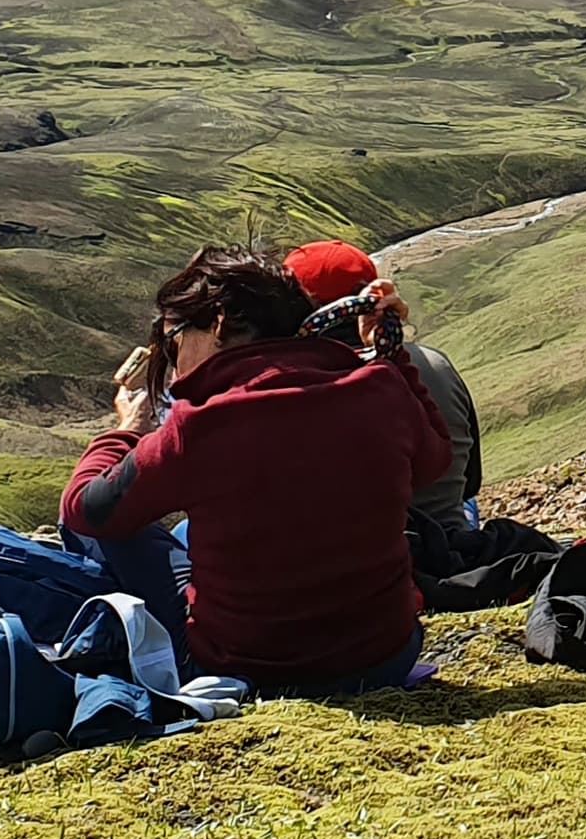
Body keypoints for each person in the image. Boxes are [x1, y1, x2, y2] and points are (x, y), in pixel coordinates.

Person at [62, 247, 452, 697]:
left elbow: (83, 510)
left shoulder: (200, 426)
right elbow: (433, 462)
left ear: (220, 324)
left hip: (251, 670)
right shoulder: (379, 386)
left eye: (176, 337)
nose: (173, 356)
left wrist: (126, 431)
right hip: (385, 656)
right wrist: (390, 356)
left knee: (120, 531)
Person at [285, 239, 506, 592]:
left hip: (365, 567)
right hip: (451, 543)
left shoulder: (294, 385)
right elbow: (471, 480)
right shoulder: (434, 362)